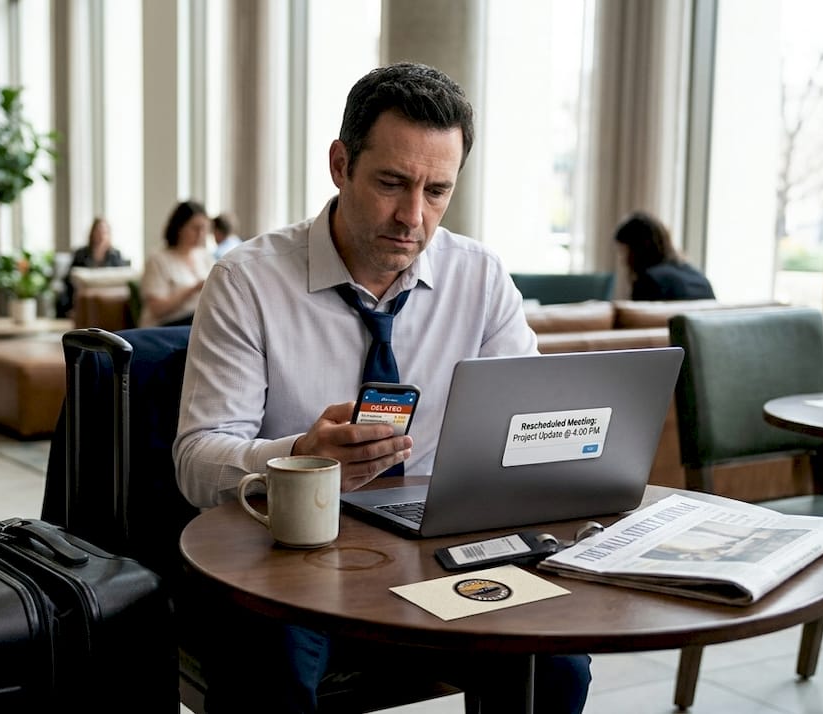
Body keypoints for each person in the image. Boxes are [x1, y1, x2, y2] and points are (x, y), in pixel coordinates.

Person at [174, 63, 591, 713]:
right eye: (392, 183)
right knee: (266, 666)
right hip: (289, 556)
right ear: (341, 165)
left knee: (558, 664)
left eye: (437, 191)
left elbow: (528, 426)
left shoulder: (479, 278)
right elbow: (197, 461)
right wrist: (298, 460)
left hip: (439, 548)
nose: (412, 217)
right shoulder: (248, 283)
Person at [137, 201, 213, 327]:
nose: (201, 234)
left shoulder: (204, 256)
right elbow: (157, 309)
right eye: (195, 228)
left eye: (204, 228)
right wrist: (193, 289)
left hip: (195, 324)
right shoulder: (158, 259)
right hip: (164, 326)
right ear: (180, 228)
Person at [613, 212, 715, 301]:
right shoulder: (701, 279)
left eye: (624, 251)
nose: (623, 260)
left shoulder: (649, 282)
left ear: (638, 249)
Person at [56, 217, 129, 318]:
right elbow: (69, 279)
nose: (101, 235)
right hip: (82, 296)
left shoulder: (116, 255)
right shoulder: (80, 254)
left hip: (106, 296)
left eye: (104, 231)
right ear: (92, 233)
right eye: (98, 231)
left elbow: (121, 278)